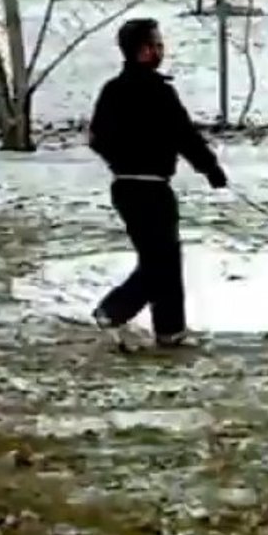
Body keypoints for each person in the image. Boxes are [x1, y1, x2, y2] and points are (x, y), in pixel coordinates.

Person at [88, 18, 228, 349]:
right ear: (136, 51)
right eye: (152, 45)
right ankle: (113, 310)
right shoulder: (155, 93)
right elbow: (185, 136)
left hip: (135, 188)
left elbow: (97, 138)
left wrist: (208, 167)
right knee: (159, 261)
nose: (159, 51)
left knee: (163, 257)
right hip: (144, 188)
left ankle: (170, 330)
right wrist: (209, 168)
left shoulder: (117, 90)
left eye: (160, 45)